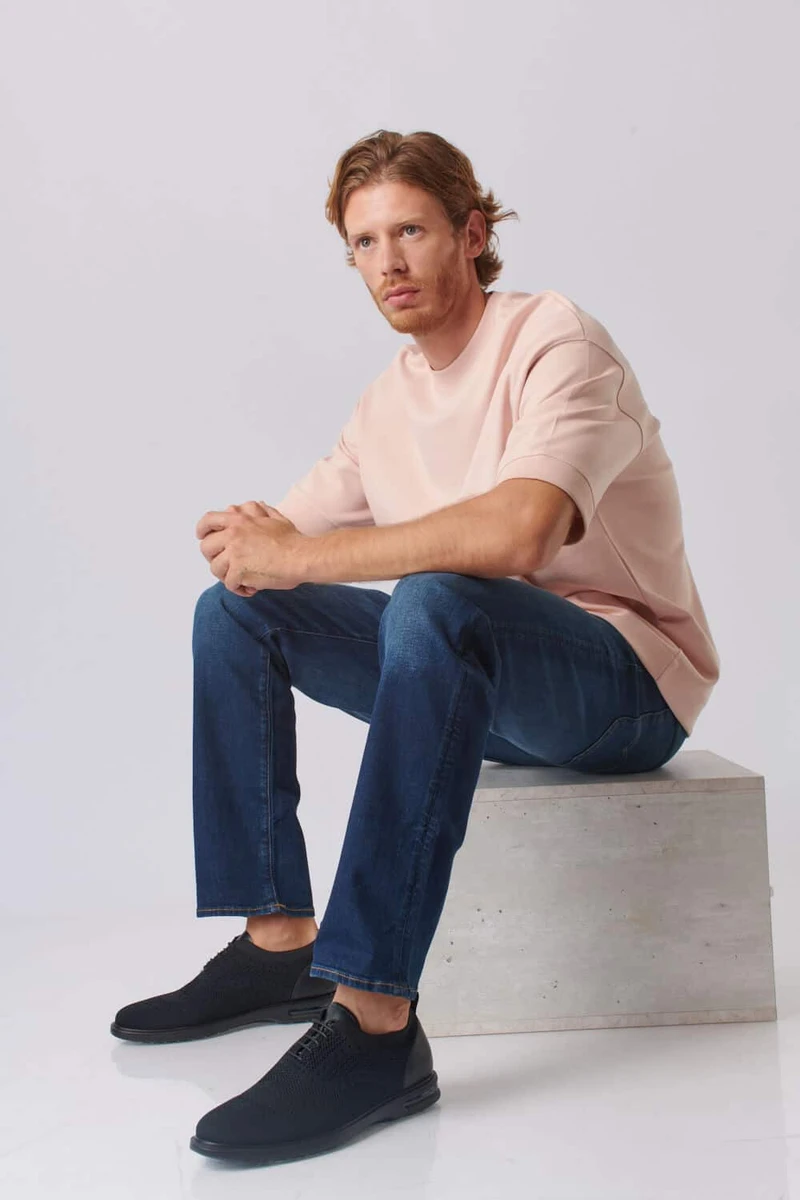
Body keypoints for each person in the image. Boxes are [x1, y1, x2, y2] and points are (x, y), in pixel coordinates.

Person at [111, 129, 720, 1166]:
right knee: (238, 614)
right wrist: (246, 542)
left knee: (436, 598)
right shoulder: (388, 401)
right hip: (485, 683)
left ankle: (376, 1026)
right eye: (363, 242)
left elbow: (520, 533)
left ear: (471, 235)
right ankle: (278, 947)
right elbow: (277, 554)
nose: (386, 262)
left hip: (625, 688)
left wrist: (299, 555)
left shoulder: (556, 341)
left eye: (410, 232)